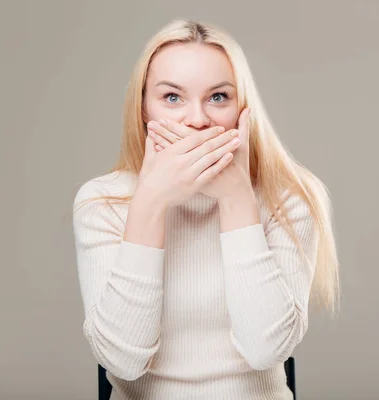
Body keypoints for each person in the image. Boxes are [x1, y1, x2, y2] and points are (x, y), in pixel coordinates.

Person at [72, 19, 339, 400]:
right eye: (172, 98)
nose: (197, 121)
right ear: (144, 109)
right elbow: (121, 360)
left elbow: (266, 350)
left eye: (218, 97)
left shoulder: (292, 197)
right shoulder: (102, 202)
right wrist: (150, 202)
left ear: (242, 109)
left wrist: (236, 198)